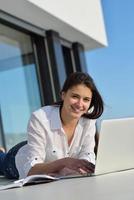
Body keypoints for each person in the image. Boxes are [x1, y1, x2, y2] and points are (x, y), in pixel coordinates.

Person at [0, 72, 104, 179]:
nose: (79, 104)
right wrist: (64, 163)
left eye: (86, 99)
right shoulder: (40, 118)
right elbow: (31, 169)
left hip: (42, 148)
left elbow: (87, 155)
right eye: (75, 96)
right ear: (63, 95)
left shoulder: (89, 121)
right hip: (18, 160)